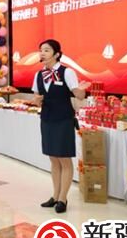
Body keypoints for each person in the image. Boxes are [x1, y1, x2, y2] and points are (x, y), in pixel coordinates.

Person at [32, 39, 90, 214]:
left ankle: (63, 198)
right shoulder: (39, 75)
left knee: (64, 159)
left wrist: (81, 89)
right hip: (47, 119)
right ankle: (55, 196)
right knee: (53, 158)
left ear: (56, 54)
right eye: (41, 50)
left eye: (47, 50)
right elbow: (37, 99)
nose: (42, 53)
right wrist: (37, 100)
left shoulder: (67, 72)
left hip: (63, 119)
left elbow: (79, 96)